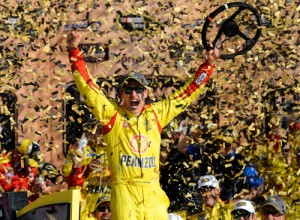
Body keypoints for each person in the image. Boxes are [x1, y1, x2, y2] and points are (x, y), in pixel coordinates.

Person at [66, 29, 219, 220]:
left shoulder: (156, 114)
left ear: (145, 93)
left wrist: (208, 65)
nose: (133, 95)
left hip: (152, 191)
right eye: (128, 90)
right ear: (121, 94)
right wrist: (74, 51)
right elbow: (88, 88)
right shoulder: (112, 114)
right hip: (124, 192)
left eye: (138, 89)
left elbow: (188, 93)